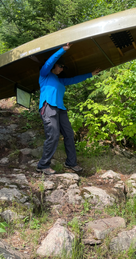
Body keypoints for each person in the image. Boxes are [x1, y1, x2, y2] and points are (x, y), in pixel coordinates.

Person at [37, 43, 101, 175]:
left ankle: (71, 163)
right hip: (48, 107)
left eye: (63, 67)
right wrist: (62, 50)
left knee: (69, 135)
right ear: (55, 65)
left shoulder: (60, 81)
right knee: (53, 135)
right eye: (60, 66)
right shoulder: (44, 75)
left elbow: (73, 79)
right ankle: (43, 165)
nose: (61, 69)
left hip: (61, 110)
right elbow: (49, 63)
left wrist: (91, 74)